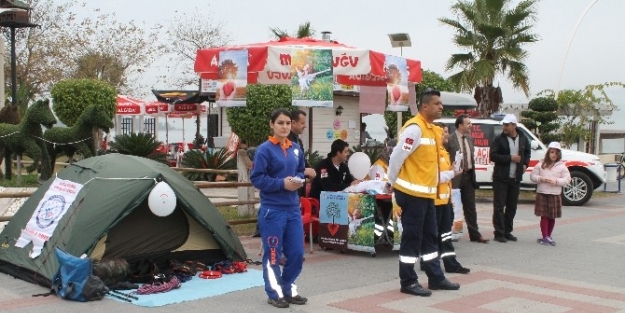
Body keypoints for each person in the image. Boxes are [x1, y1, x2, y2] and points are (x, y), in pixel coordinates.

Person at [387, 88, 460, 297]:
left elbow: (431, 166)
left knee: (430, 237)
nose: (441, 107)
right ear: (425, 106)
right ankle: (408, 281)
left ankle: (435, 277)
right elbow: (396, 157)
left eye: (441, 103)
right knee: (412, 238)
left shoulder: (431, 130)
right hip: (411, 194)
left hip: (427, 195)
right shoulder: (415, 129)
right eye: (437, 103)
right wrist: (390, 181)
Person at [250, 108, 308, 308]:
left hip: (292, 209)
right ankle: (274, 293)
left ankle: (288, 288)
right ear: (272, 125)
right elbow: (257, 179)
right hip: (272, 210)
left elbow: (300, 170)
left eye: (287, 123)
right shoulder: (264, 150)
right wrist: (281, 184)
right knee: (273, 254)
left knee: (297, 254)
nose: (285, 127)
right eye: (280, 123)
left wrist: (299, 180)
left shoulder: (295, 148)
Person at [428, 122, 470, 274]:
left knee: (445, 234)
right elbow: (434, 177)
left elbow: (445, 175)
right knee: (434, 235)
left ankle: (451, 264)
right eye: (443, 132)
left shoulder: (443, 151)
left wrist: (453, 169)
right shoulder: (432, 152)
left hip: (444, 200)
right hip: (435, 200)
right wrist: (453, 173)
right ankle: (430, 264)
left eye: (446, 132)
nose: (447, 135)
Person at [446, 115, 489, 243]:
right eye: (468, 123)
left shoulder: (470, 138)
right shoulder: (450, 139)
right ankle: (450, 233)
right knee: (452, 206)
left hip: (468, 176)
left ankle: (475, 234)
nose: (471, 125)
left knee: (470, 207)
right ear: (460, 125)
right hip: (455, 177)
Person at [489, 114, 531, 243]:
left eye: (507, 125)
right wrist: (510, 158)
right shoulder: (498, 139)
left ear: (514, 125)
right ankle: (499, 232)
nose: (504, 127)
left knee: (512, 206)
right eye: (504, 125)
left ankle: (508, 231)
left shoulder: (523, 139)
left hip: (515, 178)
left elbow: (527, 153)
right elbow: (493, 156)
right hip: (501, 178)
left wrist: (525, 163)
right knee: (499, 206)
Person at [530, 142, 571, 246]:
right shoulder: (540, 164)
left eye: (556, 153)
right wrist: (540, 178)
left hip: (555, 193)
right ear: (548, 153)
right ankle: (545, 236)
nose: (554, 155)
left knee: (552, 216)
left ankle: (548, 235)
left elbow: (567, 179)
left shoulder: (562, 167)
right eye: (552, 152)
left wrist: (557, 181)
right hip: (543, 193)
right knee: (544, 216)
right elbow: (532, 176)